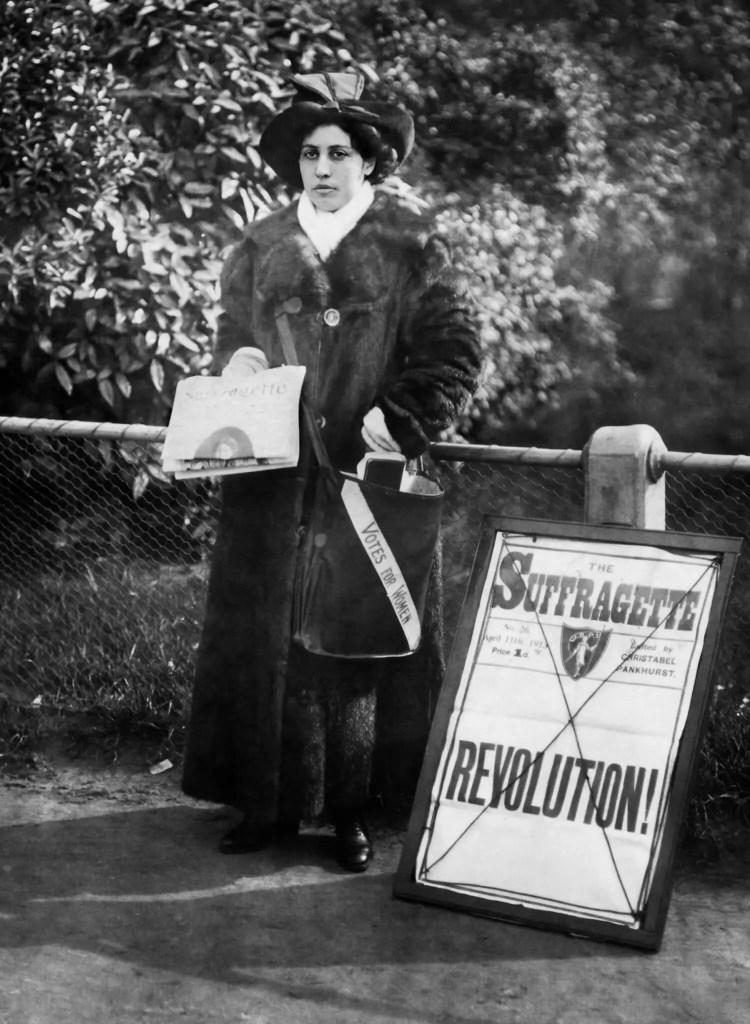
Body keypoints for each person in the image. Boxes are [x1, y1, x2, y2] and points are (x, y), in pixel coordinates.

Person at [181, 71, 482, 872]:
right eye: (310, 153)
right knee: (269, 637)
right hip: (272, 480)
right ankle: (268, 805)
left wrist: (403, 416)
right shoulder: (261, 245)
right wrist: (236, 358)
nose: (322, 167)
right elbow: (225, 338)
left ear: (369, 161)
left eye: (339, 153)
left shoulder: (412, 245)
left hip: (365, 474)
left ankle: (352, 812)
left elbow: (454, 356)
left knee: (357, 642)